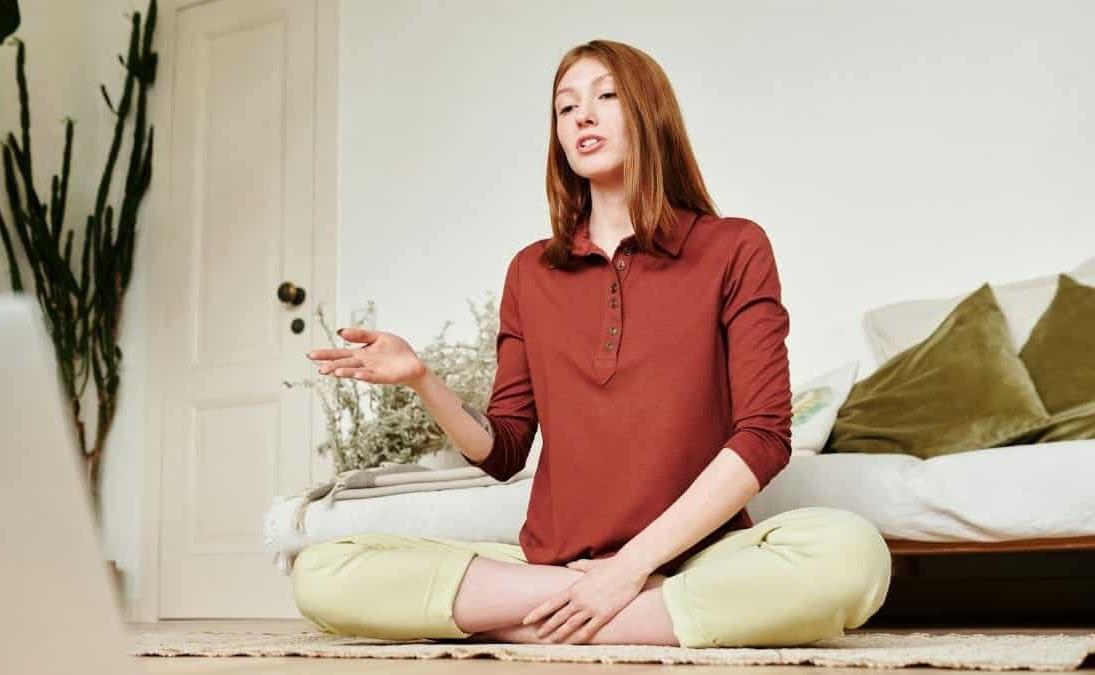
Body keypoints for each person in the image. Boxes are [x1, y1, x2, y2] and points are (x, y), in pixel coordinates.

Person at [293, 39, 891, 648]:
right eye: (565, 106)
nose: (582, 115)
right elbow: (504, 450)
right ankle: (624, 619)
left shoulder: (735, 248)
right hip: (553, 565)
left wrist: (627, 570)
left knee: (851, 554)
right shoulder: (531, 271)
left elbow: (764, 436)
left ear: (650, 113)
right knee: (322, 571)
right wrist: (424, 380)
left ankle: (537, 623)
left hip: (696, 561)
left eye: (606, 96)